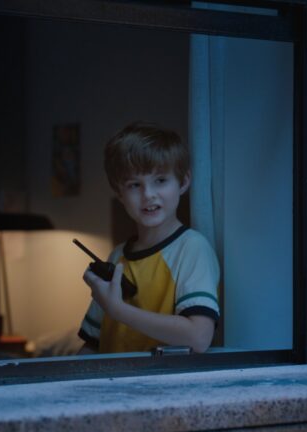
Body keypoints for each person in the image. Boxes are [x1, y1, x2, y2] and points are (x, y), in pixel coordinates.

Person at [78, 122, 220, 354]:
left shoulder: (192, 248)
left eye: (160, 180)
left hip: (163, 389)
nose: (148, 195)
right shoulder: (117, 256)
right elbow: (92, 344)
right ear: (119, 193)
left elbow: (199, 337)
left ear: (183, 182)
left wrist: (118, 310)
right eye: (135, 185)